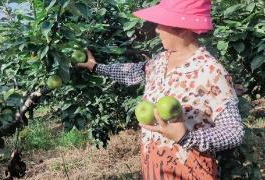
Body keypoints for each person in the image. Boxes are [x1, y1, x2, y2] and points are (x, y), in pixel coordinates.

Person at [77, 0, 244, 179]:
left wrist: (188, 137)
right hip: (154, 163)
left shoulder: (210, 71)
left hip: (188, 168)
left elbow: (234, 131)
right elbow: (133, 72)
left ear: (181, 28)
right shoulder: (161, 60)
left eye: (162, 23)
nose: (156, 29)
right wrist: (95, 67)